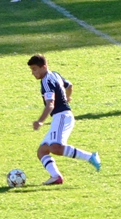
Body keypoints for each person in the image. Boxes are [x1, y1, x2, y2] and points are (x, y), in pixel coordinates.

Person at [28, 54, 101, 186]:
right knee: (42, 150)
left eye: (34, 69)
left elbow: (50, 104)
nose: (33, 73)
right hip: (60, 116)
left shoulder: (46, 81)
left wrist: (40, 121)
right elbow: (69, 85)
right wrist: (68, 97)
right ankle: (56, 176)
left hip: (62, 116)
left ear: (43, 67)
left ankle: (91, 157)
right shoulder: (55, 74)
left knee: (56, 147)